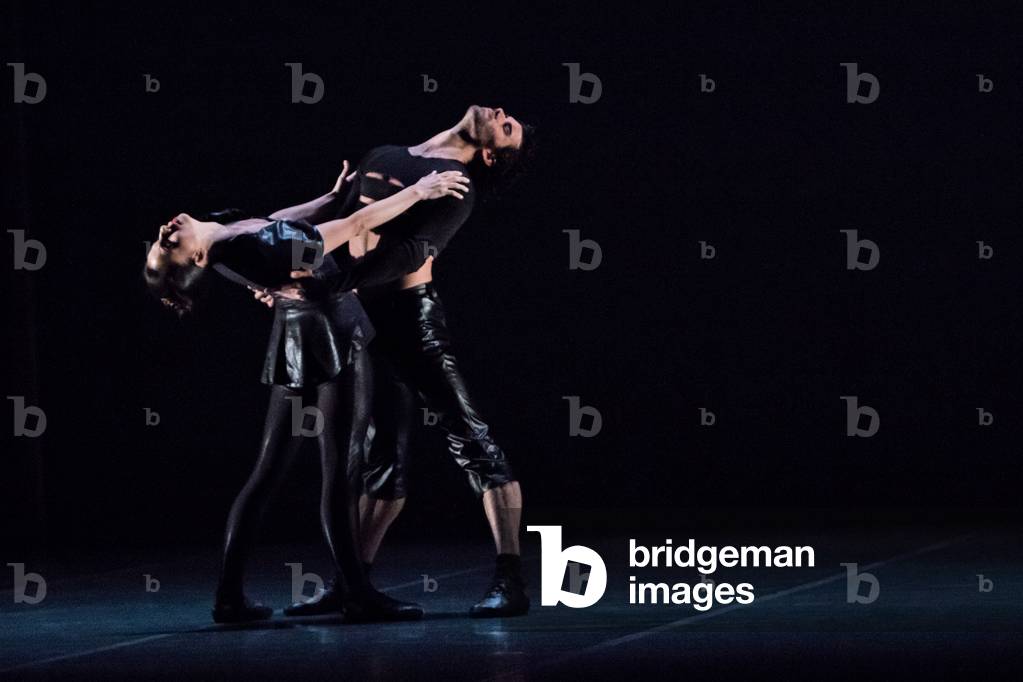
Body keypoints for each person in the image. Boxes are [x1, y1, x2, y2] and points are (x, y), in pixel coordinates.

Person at [144, 165, 469, 622]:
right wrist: (420, 190)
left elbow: (274, 221)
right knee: (341, 467)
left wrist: (327, 196)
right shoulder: (250, 249)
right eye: (168, 246)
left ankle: (229, 598)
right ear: (197, 261)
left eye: (159, 241)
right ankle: (356, 594)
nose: (164, 232)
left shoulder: (223, 233)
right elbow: (355, 225)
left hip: (295, 337)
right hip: (332, 334)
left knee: (270, 469)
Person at [271, 105, 537, 618]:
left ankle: (511, 580)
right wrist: (286, 280)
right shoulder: (387, 153)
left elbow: (408, 254)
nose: (502, 114)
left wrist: (327, 283)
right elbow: (337, 225)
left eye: (507, 129)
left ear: (487, 154)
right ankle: (353, 584)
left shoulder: (458, 184)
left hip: (413, 325)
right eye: (508, 117)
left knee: (473, 440)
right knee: (382, 458)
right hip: (363, 319)